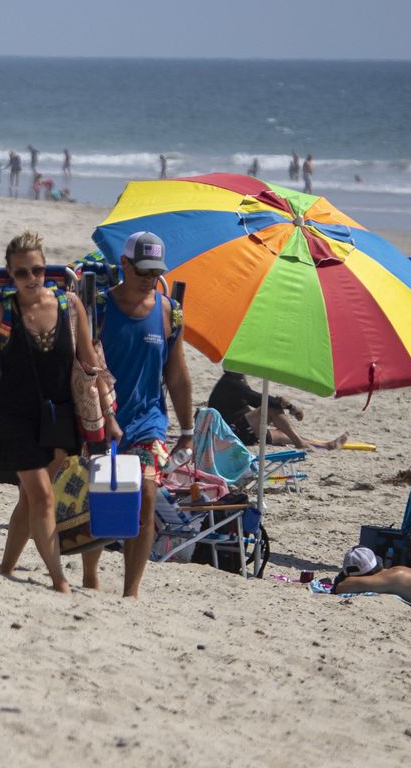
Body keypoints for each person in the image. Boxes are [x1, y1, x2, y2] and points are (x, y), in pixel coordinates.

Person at [0, 232, 102, 592]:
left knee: (29, 497)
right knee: (43, 495)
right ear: (10, 274)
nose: (32, 278)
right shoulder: (2, 316)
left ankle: (6, 568)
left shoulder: (70, 307)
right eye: (22, 273)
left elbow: (90, 365)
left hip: (60, 415)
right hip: (15, 417)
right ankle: (58, 579)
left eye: (37, 269)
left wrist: (106, 418)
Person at [88, 231, 193, 598]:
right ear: (125, 265)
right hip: (102, 417)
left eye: (155, 272)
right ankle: (91, 574)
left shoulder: (169, 312)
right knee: (104, 496)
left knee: (146, 495)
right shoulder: (99, 308)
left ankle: (130, 590)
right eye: (143, 270)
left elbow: (177, 376)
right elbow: (85, 367)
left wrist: (188, 428)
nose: (149, 278)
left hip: (148, 419)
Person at [207, 370, 346, 450]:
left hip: (241, 429)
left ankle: (325, 445)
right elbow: (263, 401)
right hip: (232, 433)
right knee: (271, 409)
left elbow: (255, 400)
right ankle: (300, 443)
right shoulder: (230, 383)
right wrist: (291, 407)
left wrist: (284, 405)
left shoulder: (233, 382)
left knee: (283, 434)